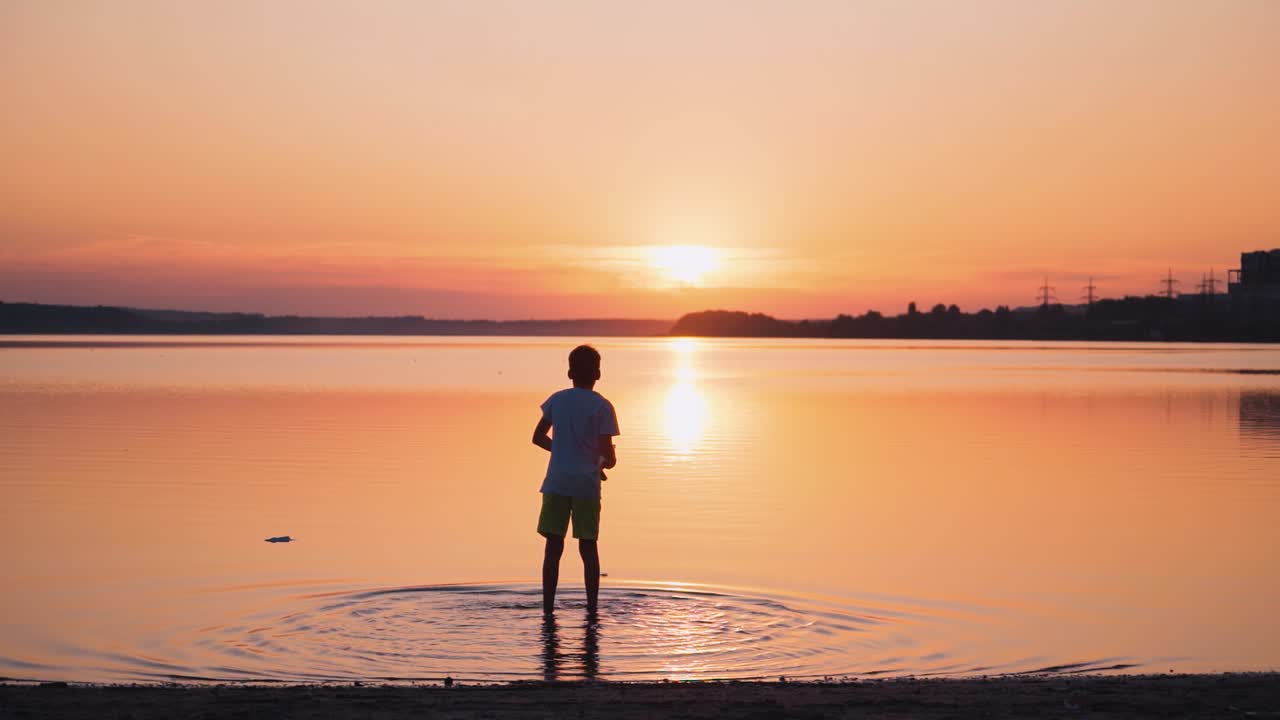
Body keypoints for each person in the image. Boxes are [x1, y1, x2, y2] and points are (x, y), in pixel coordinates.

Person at [532, 344, 619, 616]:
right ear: (599, 374)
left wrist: (562, 450)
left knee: (553, 548)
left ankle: (547, 609)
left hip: (557, 483)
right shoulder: (603, 407)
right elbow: (608, 455)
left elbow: (537, 437)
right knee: (588, 547)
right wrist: (605, 461)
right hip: (586, 487)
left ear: (570, 372)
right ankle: (592, 610)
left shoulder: (557, 400)